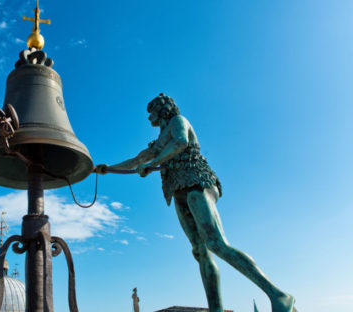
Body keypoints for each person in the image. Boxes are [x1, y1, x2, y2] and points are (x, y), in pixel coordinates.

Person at [96, 94, 294, 312]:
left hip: (197, 182)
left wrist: (154, 163)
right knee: (200, 251)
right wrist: (109, 168)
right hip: (178, 190)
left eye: (151, 112)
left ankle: (278, 295)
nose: (149, 117)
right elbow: (136, 160)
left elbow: (181, 142)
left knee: (216, 243)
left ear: (162, 110)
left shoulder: (178, 122)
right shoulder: (158, 143)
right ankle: (215, 309)